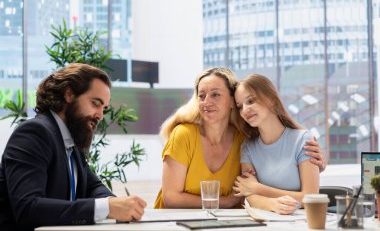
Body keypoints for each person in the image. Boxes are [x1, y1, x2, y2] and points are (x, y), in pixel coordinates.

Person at [0, 63, 147, 231]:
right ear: (69, 94)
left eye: (103, 108)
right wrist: (106, 208)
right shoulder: (34, 133)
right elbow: (28, 208)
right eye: (95, 103)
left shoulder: (71, 139)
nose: (100, 115)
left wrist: (115, 204)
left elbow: (93, 186)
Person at [154, 67, 325, 209]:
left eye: (215, 94)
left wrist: (316, 165)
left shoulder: (243, 140)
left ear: (230, 102)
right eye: (201, 96)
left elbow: (256, 185)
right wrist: (227, 202)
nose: (206, 102)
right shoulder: (185, 135)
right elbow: (171, 197)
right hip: (172, 220)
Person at [233, 74, 320, 215]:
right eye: (240, 106)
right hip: (267, 222)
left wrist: (258, 188)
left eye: (250, 101)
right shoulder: (247, 148)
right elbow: (250, 195)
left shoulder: (303, 139)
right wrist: (272, 204)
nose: (244, 110)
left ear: (272, 100)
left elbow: (311, 197)